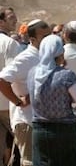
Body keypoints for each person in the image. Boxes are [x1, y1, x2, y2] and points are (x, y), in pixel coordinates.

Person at [28, 34, 76, 166]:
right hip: (64, 132)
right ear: (60, 53)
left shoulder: (32, 73)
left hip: (39, 130)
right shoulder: (66, 75)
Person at [0, 19, 50, 166]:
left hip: (40, 121)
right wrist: (17, 101)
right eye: (44, 37)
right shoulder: (26, 58)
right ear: (33, 39)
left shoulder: (44, 56)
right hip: (27, 121)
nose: (48, 40)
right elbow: (2, 80)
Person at [0, 7, 20, 166]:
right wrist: (19, 101)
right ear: (1, 22)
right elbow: (14, 75)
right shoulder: (10, 44)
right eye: (11, 17)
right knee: (20, 144)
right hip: (7, 104)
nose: (16, 20)